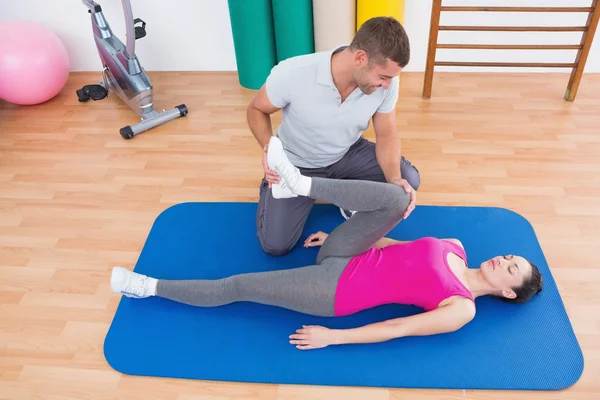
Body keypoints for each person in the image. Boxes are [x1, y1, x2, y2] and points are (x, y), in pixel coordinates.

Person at [110, 137, 543, 350]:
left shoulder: (461, 306)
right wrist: (344, 237)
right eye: (508, 256)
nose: (502, 259)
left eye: (510, 268)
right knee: (398, 196)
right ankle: (300, 184)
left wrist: (334, 337)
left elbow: (398, 328)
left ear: (507, 291)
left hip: (336, 291)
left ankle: (146, 286)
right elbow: (397, 246)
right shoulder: (456, 245)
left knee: (239, 286)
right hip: (351, 249)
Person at [246, 16, 420, 256]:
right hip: (298, 164)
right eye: (383, 77)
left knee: (406, 182)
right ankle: (278, 190)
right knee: (275, 245)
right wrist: (270, 150)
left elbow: (387, 133)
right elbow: (256, 109)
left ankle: (349, 200)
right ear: (361, 58)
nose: (388, 85)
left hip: (347, 153)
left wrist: (392, 180)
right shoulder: (295, 72)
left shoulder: (386, 83)